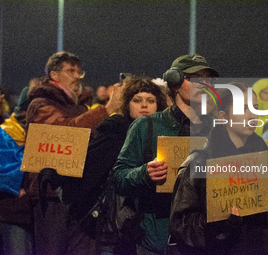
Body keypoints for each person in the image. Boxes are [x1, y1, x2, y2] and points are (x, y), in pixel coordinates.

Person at [169, 82, 268, 254]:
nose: (253, 115)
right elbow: (182, 226)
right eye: (244, 108)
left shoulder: (265, 160)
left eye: (255, 108)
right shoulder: (199, 163)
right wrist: (223, 224)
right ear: (223, 116)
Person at [113, 54, 219, 254]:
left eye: (207, 79)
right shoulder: (146, 126)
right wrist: (144, 173)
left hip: (202, 241)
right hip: (156, 240)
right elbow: (119, 177)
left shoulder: (218, 129)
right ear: (175, 83)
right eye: (196, 78)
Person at [25, 51, 123, 255]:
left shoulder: (79, 107)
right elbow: (65, 133)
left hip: (77, 191)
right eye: (70, 71)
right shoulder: (41, 105)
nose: (77, 76)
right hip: (51, 194)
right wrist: (108, 108)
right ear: (54, 75)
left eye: (79, 71)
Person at [60, 75, 167, 255]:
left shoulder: (166, 136)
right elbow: (87, 166)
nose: (144, 105)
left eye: (150, 100)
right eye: (137, 100)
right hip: (116, 226)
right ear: (127, 105)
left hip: (154, 226)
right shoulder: (115, 131)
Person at [0, 85, 33, 255]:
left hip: (16, 209)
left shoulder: (4, 133)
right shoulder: (8, 131)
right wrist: (15, 187)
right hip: (10, 208)